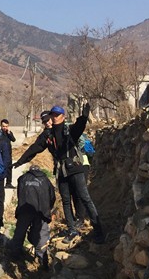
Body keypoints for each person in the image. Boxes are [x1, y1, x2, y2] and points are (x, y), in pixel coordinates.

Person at [13, 103, 105, 244]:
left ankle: (98, 230)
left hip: (75, 168)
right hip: (61, 171)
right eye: (53, 115)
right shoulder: (47, 135)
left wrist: (84, 117)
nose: (54, 117)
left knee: (85, 198)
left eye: (57, 115)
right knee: (66, 201)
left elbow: (79, 128)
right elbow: (35, 148)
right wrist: (20, 161)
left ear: (63, 116)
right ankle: (72, 229)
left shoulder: (68, 130)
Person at [6, 164, 55, 270]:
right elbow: (52, 196)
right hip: (41, 211)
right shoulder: (45, 180)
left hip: (25, 209)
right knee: (42, 234)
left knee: (20, 232)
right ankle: (42, 260)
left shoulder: (23, 179)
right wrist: (48, 208)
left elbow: (19, 194)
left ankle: (15, 255)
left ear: (30, 170)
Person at [0, 119, 17, 188]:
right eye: (3, 126)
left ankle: (8, 183)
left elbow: (13, 140)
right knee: (2, 168)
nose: (5, 128)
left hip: (8, 153)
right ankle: (0, 183)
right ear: (1, 126)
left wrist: (9, 134)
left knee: (9, 168)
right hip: (1, 154)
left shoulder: (9, 133)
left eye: (6, 126)